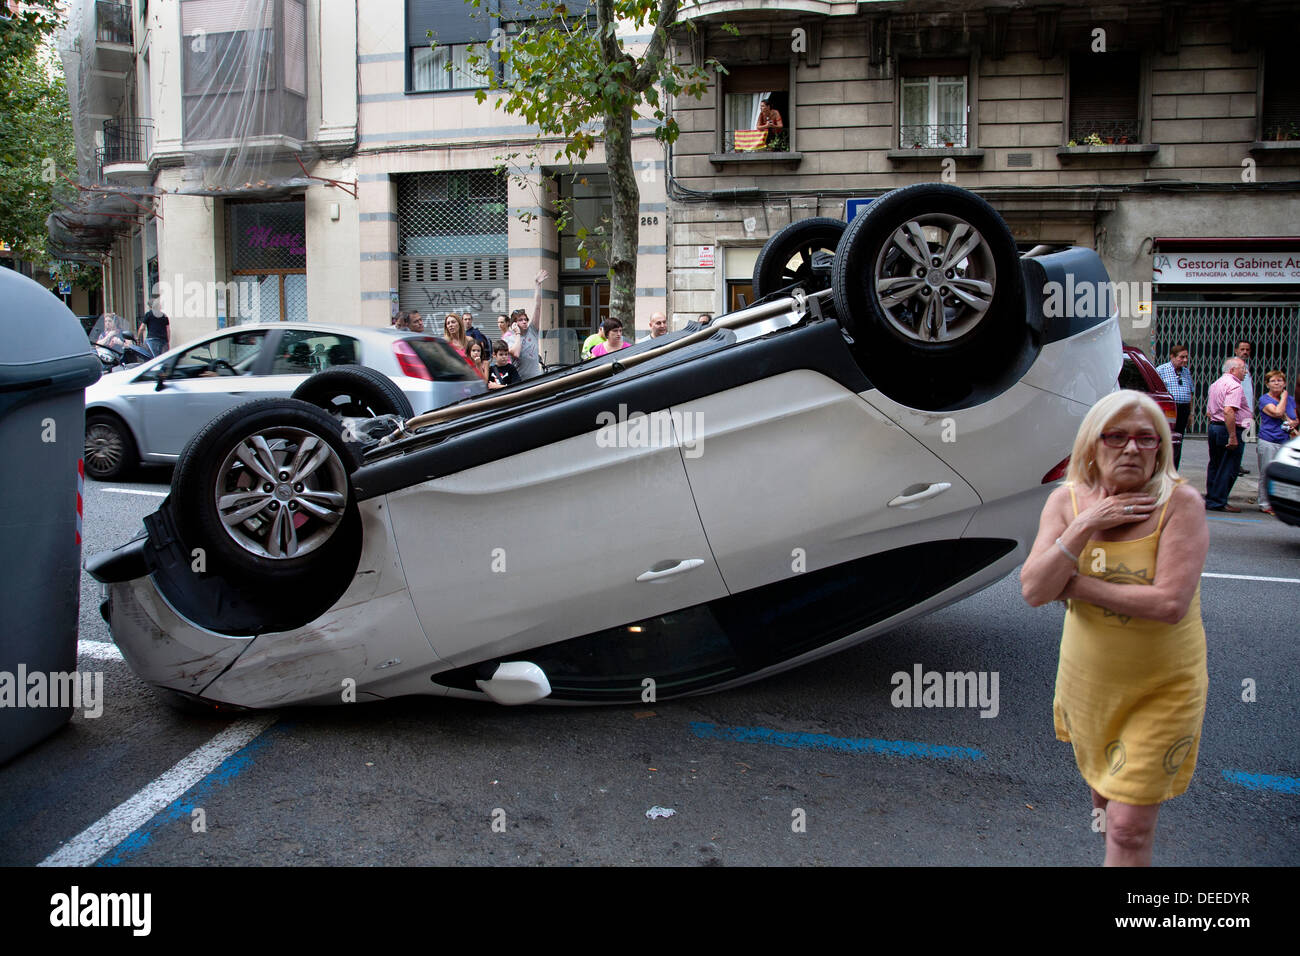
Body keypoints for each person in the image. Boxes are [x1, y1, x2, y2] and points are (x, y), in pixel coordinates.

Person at [1020, 390, 1208, 867]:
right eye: (1117, 436)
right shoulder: (1065, 502)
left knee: (1126, 830)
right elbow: (1035, 590)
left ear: (1161, 450)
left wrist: (1078, 586)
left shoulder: (1179, 504)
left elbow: (1169, 603)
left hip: (1162, 689)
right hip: (1091, 687)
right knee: (1105, 809)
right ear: (1091, 446)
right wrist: (1086, 525)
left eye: (1147, 439)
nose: (1131, 449)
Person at [1205, 357, 1252, 512]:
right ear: (1232, 370)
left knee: (1215, 465)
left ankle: (1212, 498)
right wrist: (1232, 436)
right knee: (1228, 467)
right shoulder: (1234, 386)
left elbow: (1209, 411)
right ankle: (1218, 501)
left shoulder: (1215, 384)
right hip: (1228, 429)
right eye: (1243, 369)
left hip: (1215, 427)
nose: (1245, 372)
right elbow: (1229, 410)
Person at [1256, 369, 1296, 515]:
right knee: (1266, 472)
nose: (1277, 383)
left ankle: (1281, 503)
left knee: (1283, 475)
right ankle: (1265, 503)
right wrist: (1284, 396)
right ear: (1267, 384)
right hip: (1268, 440)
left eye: (1280, 380)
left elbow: (1296, 416)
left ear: (1284, 382)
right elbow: (1278, 412)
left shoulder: (1291, 400)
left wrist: (1294, 422)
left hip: (1285, 441)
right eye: (1273, 381)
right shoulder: (1265, 400)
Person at [1155, 345, 1193, 469]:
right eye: (1182, 357)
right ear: (1172, 356)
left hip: (1183, 409)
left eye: (1186, 357)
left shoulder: (1186, 372)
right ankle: (1163, 467)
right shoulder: (1162, 370)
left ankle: (1174, 468)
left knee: (1179, 439)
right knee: (1167, 438)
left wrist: (1190, 414)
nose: (1185, 360)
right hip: (1169, 410)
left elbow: (1190, 392)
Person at [508, 270, 546, 378]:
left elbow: (537, 307)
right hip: (520, 379)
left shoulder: (532, 331)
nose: (524, 321)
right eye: (520, 320)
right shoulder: (510, 338)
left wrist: (538, 285)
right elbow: (516, 354)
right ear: (514, 324)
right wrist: (518, 334)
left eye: (525, 319)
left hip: (535, 377)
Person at [1235, 341, 1253, 475]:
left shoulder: (1245, 366)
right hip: (1238, 408)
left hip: (1246, 409)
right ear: (1236, 351)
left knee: (1243, 437)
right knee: (1237, 436)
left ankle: (1238, 463)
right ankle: (1234, 465)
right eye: (1242, 349)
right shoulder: (1234, 366)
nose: (1245, 352)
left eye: (1247, 349)